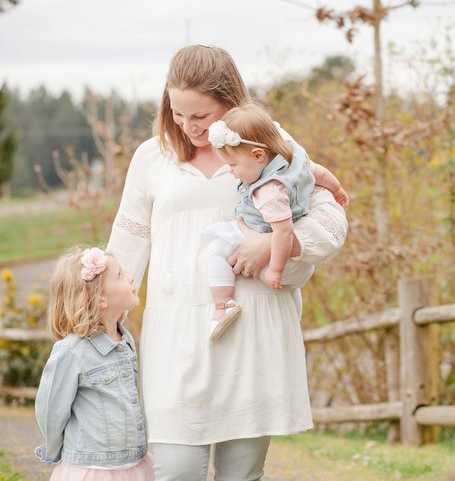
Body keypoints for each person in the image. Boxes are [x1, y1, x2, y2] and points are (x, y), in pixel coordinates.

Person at [106, 44, 348, 480]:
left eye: (201, 115)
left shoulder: (268, 143)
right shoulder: (151, 157)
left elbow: (331, 222)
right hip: (176, 337)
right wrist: (99, 320)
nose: (189, 126)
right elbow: (128, 244)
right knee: (175, 471)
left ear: (230, 102)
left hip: (252, 330)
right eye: (179, 114)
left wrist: (271, 246)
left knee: (241, 475)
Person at [204, 103, 349, 341]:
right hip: (276, 233)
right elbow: (319, 173)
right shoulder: (292, 156)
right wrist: (338, 189)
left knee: (215, 252)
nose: (231, 172)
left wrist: (275, 269)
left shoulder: (269, 192)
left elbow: (284, 232)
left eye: (233, 165)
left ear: (258, 155)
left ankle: (223, 305)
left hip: (259, 231)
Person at [35, 246, 155, 480]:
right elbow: (51, 411)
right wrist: (60, 451)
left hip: (133, 464)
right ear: (100, 300)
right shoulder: (72, 351)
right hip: (92, 468)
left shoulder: (125, 339)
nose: (130, 277)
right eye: (120, 275)